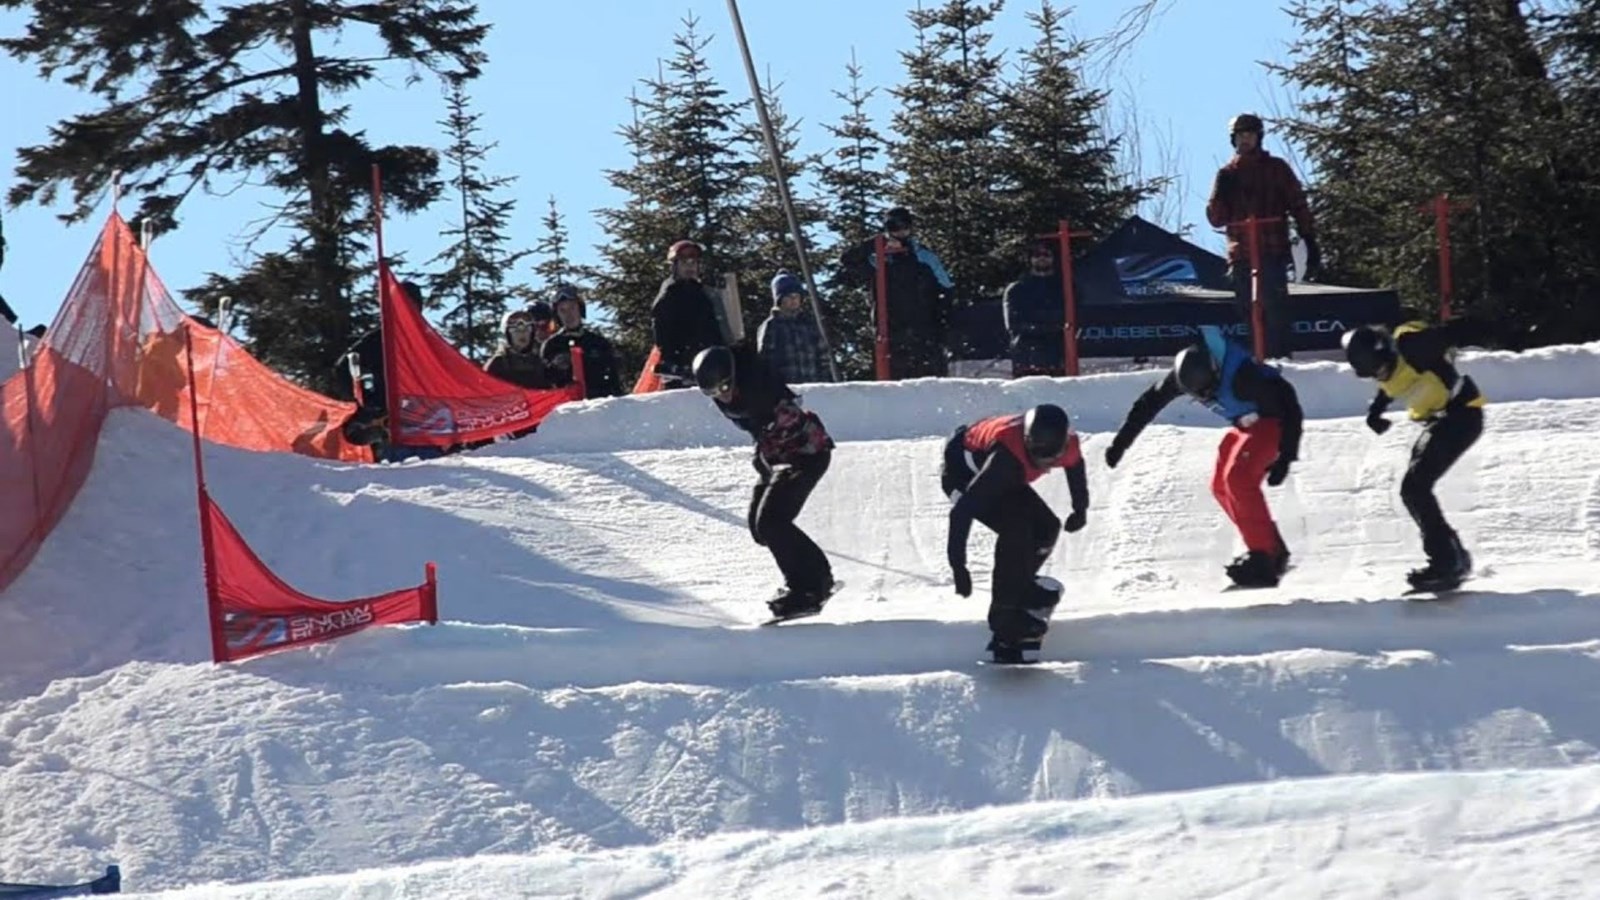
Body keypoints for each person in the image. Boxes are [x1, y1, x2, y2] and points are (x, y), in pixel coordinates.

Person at [1103, 324, 1303, 587]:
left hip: (1273, 421)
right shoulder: (1182, 377)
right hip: (1246, 426)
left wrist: (1286, 457)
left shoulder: (1244, 378)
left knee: (1239, 479)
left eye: (1208, 391)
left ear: (1216, 372)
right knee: (1220, 486)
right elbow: (1147, 404)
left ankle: (1263, 557)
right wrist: (1120, 444)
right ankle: (1270, 549)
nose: (1205, 398)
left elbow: (1290, 406)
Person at [1341, 319, 1491, 591]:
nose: (1381, 375)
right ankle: (1453, 557)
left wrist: (1489, 323)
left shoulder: (1412, 347)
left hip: (1462, 416)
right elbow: (1391, 387)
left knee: (1415, 488)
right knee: (1414, 489)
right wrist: (1376, 412)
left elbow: (1451, 333)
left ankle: (1448, 562)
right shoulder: (1387, 369)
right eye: (1374, 374)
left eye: (1381, 368)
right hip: (1443, 421)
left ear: (1386, 351)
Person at [692, 343, 837, 620]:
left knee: (772, 522)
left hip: (806, 455)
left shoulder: (759, 390)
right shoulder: (735, 388)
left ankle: (810, 587)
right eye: (711, 393)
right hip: (779, 459)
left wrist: (770, 457)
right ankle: (813, 580)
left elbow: (783, 425)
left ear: (734, 377)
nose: (721, 397)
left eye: (724, 388)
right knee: (760, 530)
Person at [944, 404, 1087, 664]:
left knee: (1047, 527)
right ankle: (1004, 616)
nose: (1045, 465)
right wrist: (958, 567)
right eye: (1039, 458)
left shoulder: (1068, 445)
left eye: (1052, 460)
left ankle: (1017, 588)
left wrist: (1080, 510)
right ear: (1027, 443)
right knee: (1016, 529)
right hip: (962, 475)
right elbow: (961, 513)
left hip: (1007, 472)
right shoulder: (1005, 459)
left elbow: (1075, 472)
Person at [1205, 113, 1320, 359]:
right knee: (1248, 308)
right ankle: (1256, 359)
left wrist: (1309, 238)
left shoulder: (1276, 169)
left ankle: (1279, 358)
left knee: (1273, 307)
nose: (1244, 140)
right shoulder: (1227, 174)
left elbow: (1298, 204)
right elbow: (1216, 218)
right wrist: (1221, 195)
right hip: (1242, 253)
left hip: (1271, 248)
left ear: (1259, 138)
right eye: (1239, 136)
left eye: (1249, 135)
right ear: (1233, 140)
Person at [840, 207, 955, 379]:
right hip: (891, 330)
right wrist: (875, 243)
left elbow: (947, 287)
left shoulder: (923, 256)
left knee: (928, 375)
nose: (901, 232)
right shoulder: (878, 258)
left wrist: (942, 319)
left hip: (924, 329)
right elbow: (848, 260)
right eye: (895, 227)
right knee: (895, 375)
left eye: (905, 227)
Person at [652, 240, 729, 388]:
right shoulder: (669, 294)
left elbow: (714, 329)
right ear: (675, 266)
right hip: (682, 369)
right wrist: (673, 362)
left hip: (708, 364)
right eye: (684, 262)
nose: (690, 267)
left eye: (694, 263)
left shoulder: (703, 293)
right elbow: (662, 334)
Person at [542, 284, 625, 398]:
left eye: (572, 308)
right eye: (563, 310)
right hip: (568, 409)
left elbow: (614, 381)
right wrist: (555, 368)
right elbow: (544, 384)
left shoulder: (598, 343)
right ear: (557, 315)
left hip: (599, 406)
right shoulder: (552, 345)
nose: (569, 315)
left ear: (580, 309)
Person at [1001, 238, 1065, 377]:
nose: (1042, 258)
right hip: (1026, 355)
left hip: (1058, 353)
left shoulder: (1065, 287)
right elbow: (1013, 324)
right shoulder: (1017, 289)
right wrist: (1047, 326)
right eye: (1037, 255)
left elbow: (1073, 318)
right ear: (1030, 259)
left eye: (1046, 254)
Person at [756, 272, 832, 384]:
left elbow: (823, 357)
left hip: (813, 387)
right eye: (789, 296)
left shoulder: (809, 324)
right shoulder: (772, 325)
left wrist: (826, 383)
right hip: (786, 388)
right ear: (779, 299)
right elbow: (765, 359)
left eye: (797, 296)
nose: (793, 299)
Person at [483, 307, 549, 390]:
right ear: (507, 334)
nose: (522, 333)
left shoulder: (542, 362)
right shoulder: (497, 364)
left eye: (527, 328)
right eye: (515, 330)